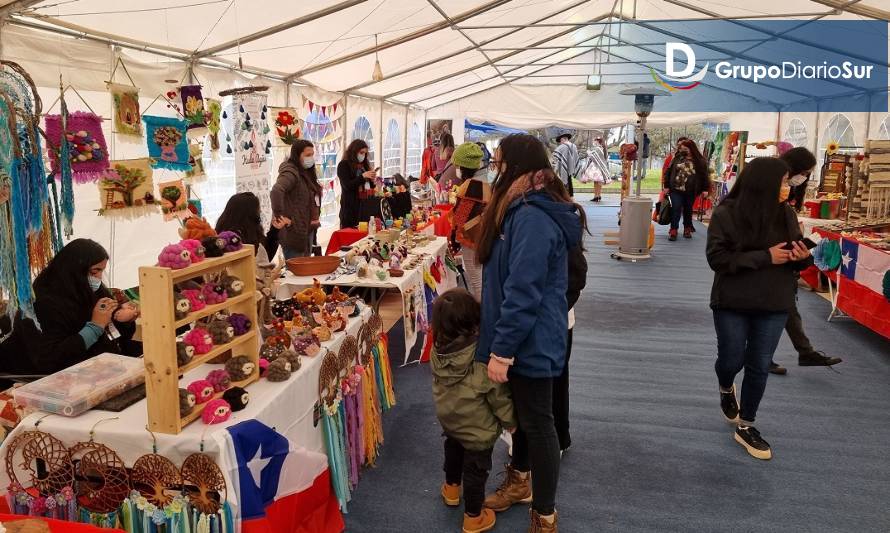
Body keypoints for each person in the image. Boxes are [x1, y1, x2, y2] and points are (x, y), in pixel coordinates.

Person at [477, 134, 585, 532]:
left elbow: (524, 290)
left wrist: (502, 351)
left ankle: (545, 514)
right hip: (525, 337)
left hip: (531, 341)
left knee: (539, 424)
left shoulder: (532, 216)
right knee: (524, 419)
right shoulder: (519, 207)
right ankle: (520, 482)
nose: (496, 167)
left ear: (517, 167)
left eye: (501, 162)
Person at [707, 157, 814, 461]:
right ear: (763, 182)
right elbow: (718, 259)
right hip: (733, 300)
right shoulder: (726, 213)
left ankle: (747, 424)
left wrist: (802, 256)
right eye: (783, 182)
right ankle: (726, 386)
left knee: (759, 364)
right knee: (731, 358)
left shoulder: (786, 214)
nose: (787, 187)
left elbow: (794, 257)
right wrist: (764, 257)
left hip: (774, 301)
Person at [431, 288, 515, 533]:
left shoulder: (438, 350)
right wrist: (511, 422)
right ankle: (473, 517)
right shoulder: (479, 357)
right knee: (476, 471)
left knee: (454, 450)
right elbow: (497, 396)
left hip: (450, 419)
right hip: (477, 428)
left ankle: (451, 489)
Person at [0, 239, 140, 379]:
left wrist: (123, 319)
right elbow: (49, 360)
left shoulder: (91, 290)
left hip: (88, 370)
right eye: (95, 271)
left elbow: (115, 337)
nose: (99, 278)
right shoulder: (41, 304)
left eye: (101, 271)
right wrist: (95, 328)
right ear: (74, 270)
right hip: (36, 377)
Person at [768, 147, 842, 374]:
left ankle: (801, 352)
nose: (805, 178)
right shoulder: (768, 192)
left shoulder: (786, 196)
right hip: (770, 266)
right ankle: (790, 353)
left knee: (785, 309)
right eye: (805, 172)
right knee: (778, 311)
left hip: (784, 264)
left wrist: (800, 250)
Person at [553, 242, 588, 453]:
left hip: (556, 321)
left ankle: (558, 435)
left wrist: (553, 310)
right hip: (523, 320)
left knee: (555, 380)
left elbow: (576, 277)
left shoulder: (562, 222)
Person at [448, 142, 489, 299]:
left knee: (476, 282)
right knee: (481, 280)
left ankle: (481, 317)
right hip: (482, 236)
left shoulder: (470, 187)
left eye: (457, 165)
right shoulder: (484, 182)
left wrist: (453, 238)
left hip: (471, 239)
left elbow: (460, 219)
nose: (456, 168)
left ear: (464, 166)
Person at [271, 139, 322, 259]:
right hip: (294, 234)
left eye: (312, 155)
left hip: (306, 230)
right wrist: (280, 217)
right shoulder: (291, 172)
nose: (311, 158)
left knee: (305, 272)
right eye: (307, 155)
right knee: (296, 273)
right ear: (297, 155)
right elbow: (276, 190)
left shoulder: (305, 172)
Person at [663, 139, 710, 241]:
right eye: (681, 148)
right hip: (675, 189)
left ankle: (687, 229)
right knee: (676, 208)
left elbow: (705, 176)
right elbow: (668, 171)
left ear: (691, 148)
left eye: (685, 148)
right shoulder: (677, 158)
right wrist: (666, 186)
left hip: (691, 190)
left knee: (688, 210)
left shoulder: (700, 160)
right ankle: (673, 230)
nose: (682, 150)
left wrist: (705, 189)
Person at [214, 192, 285, 258]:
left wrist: (274, 230)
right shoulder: (232, 237)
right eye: (257, 209)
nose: (260, 211)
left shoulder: (251, 229)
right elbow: (261, 260)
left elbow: (265, 256)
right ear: (248, 213)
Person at [337, 139, 377, 229]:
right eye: (361, 152)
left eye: (365, 153)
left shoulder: (364, 165)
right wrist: (362, 177)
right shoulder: (343, 165)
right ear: (354, 151)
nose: (363, 155)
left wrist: (372, 180)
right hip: (350, 208)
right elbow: (347, 185)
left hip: (365, 206)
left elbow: (369, 186)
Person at [582, 137, 610, 203]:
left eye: (595, 141)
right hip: (600, 167)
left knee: (597, 182)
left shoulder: (598, 148)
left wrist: (588, 152)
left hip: (596, 167)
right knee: (598, 182)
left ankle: (596, 195)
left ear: (597, 141)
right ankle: (597, 195)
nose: (594, 142)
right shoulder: (602, 148)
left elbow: (593, 156)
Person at [552, 131, 579, 197]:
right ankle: (570, 195)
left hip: (562, 167)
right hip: (571, 167)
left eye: (560, 141)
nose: (560, 143)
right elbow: (576, 157)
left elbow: (555, 156)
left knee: (562, 181)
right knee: (569, 180)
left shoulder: (561, 147)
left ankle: (564, 195)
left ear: (562, 139)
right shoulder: (574, 146)